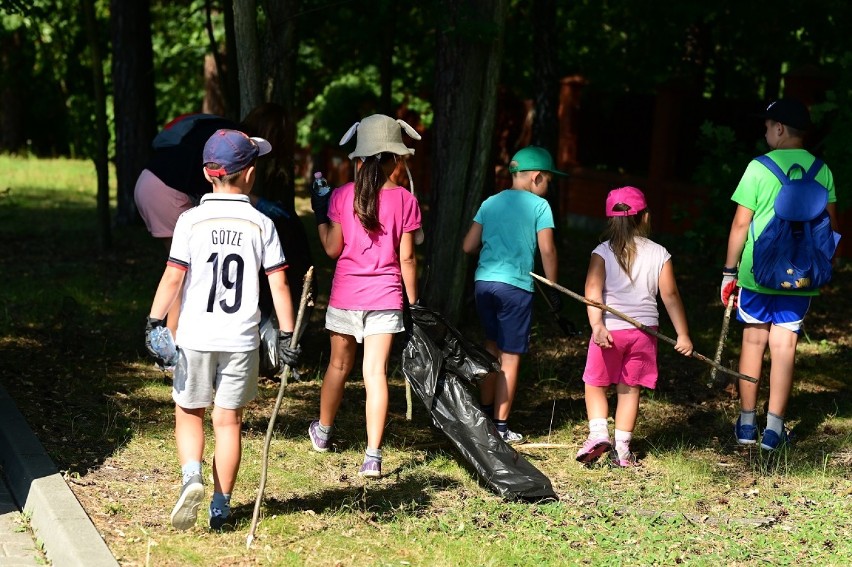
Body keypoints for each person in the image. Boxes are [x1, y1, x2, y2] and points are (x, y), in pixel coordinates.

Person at [144, 129, 300, 530]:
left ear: (207, 173)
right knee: (228, 422)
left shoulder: (190, 221)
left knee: (188, 412)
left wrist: (155, 321)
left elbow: (173, 278)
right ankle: (221, 506)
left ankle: (191, 475)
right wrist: (286, 335)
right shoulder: (262, 223)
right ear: (248, 175)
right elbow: (279, 284)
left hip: (196, 335)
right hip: (241, 339)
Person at [307, 114, 423, 478]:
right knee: (375, 373)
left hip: (345, 296)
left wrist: (320, 214)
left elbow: (330, 248)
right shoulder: (405, 200)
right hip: (386, 298)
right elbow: (407, 256)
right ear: (394, 159)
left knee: (338, 367)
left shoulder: (341, 195)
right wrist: (414, 302)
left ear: (360, 159)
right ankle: (372, 456)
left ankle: (323, 433)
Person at [722, 99, 838, 451]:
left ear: (780, 129)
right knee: (785, 347)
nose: (765, 131)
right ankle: (772, 431)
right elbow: (832, 227)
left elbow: (741, 223)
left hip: (758, 274)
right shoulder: (823, 171)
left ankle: (745, 424)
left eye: (768, 125)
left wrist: (729, 271)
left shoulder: (759, 168)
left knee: (753, 341)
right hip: (801, 276)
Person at [135, 112, 291, 337]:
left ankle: (178, 331)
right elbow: (222, 186)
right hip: (166, 191)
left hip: (150, 182)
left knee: (182, 266)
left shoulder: (221, 133)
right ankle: (173, 338)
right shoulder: (230, 144)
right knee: (182, 270)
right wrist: (258, 203)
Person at [576, 186, 693, 467]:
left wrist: (597, 325)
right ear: (645, 217)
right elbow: (670, 295)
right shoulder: (659, 253)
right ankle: (623, 451)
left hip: (611, 328)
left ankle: (598, 433)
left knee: (595, 384)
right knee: (629, 389)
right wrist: (683, 334)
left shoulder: (602, 252)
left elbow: (592, 290)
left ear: (610, 219)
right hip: (644, 332)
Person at [462, 146, 565, 444]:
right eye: (548, 181)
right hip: (516, 288)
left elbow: (468, 246)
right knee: (510, 356)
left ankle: (482, 414)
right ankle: (501, 426)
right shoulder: (539, 207)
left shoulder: (490, 202)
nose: (549, 187)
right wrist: (553, 287)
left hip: (484, 283)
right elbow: (547, 249)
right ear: (536, 177)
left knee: (490, 348)